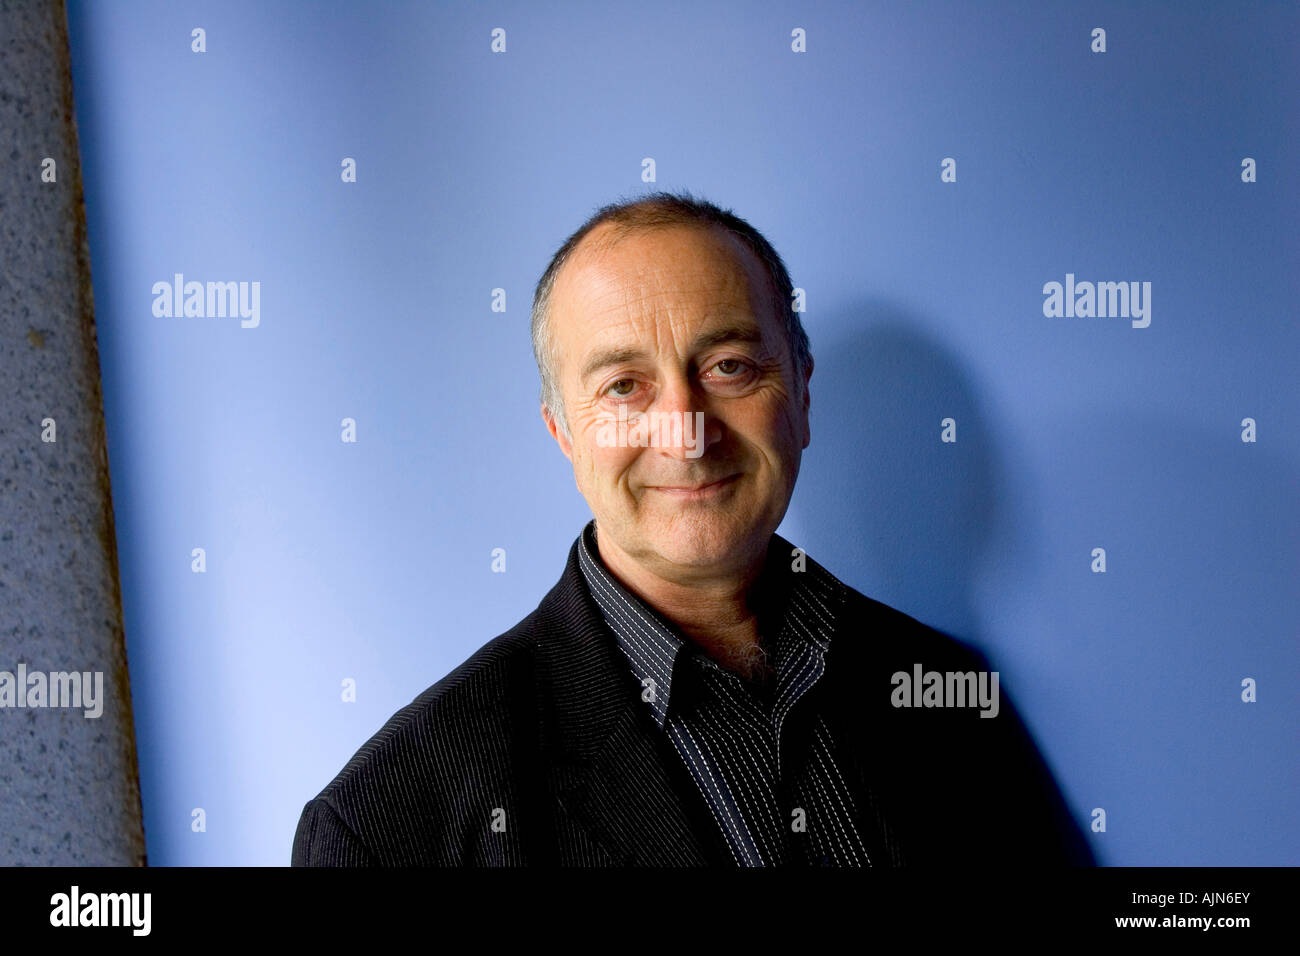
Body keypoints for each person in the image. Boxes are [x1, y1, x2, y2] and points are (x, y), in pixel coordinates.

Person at [291, 190, 1094, 866]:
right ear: (563, 433)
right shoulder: (391, 824)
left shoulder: (946, 690)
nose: (685, 431)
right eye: (623, 386)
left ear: (802, 396)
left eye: (729, 367)